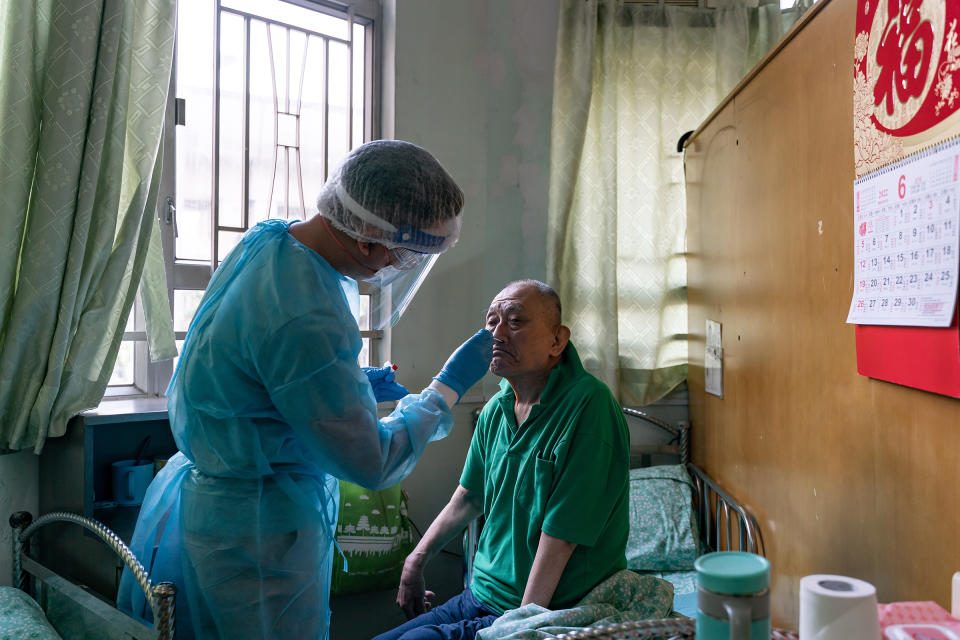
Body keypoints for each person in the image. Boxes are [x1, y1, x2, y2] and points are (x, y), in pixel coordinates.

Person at [117, 140, 494, 640]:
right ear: (366, 240)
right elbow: (372, 462)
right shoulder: (309, 312)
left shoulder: (271, 242)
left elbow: (259, 369)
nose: (391, 269)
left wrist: (350, 384)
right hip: (257, 533)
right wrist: (444, 391)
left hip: (220, 507)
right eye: (400, 255)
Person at [375, 279, 630, 640]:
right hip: (481, 595)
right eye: (491, 322)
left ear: (557, 340)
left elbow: (561, 537)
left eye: (515, 321)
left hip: (546, 610)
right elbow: (469, 497)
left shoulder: (589, 407)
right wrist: (413, 563)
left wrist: (519, 630)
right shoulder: (496, 409)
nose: (496, 334)